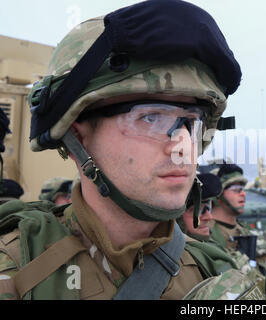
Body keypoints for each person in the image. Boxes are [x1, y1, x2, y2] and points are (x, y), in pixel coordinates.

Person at [0, 0, 247, 300]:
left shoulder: (216, 272)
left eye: (190, 123)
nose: (183, 147)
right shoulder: (17, 271)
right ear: (78, 131)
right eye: (151, 118)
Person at [210, 163, 266, 274]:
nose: (243, 193)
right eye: (236, 189)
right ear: (217, 194)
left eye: (242, 189)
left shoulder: (248, 231)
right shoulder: (207, 236)